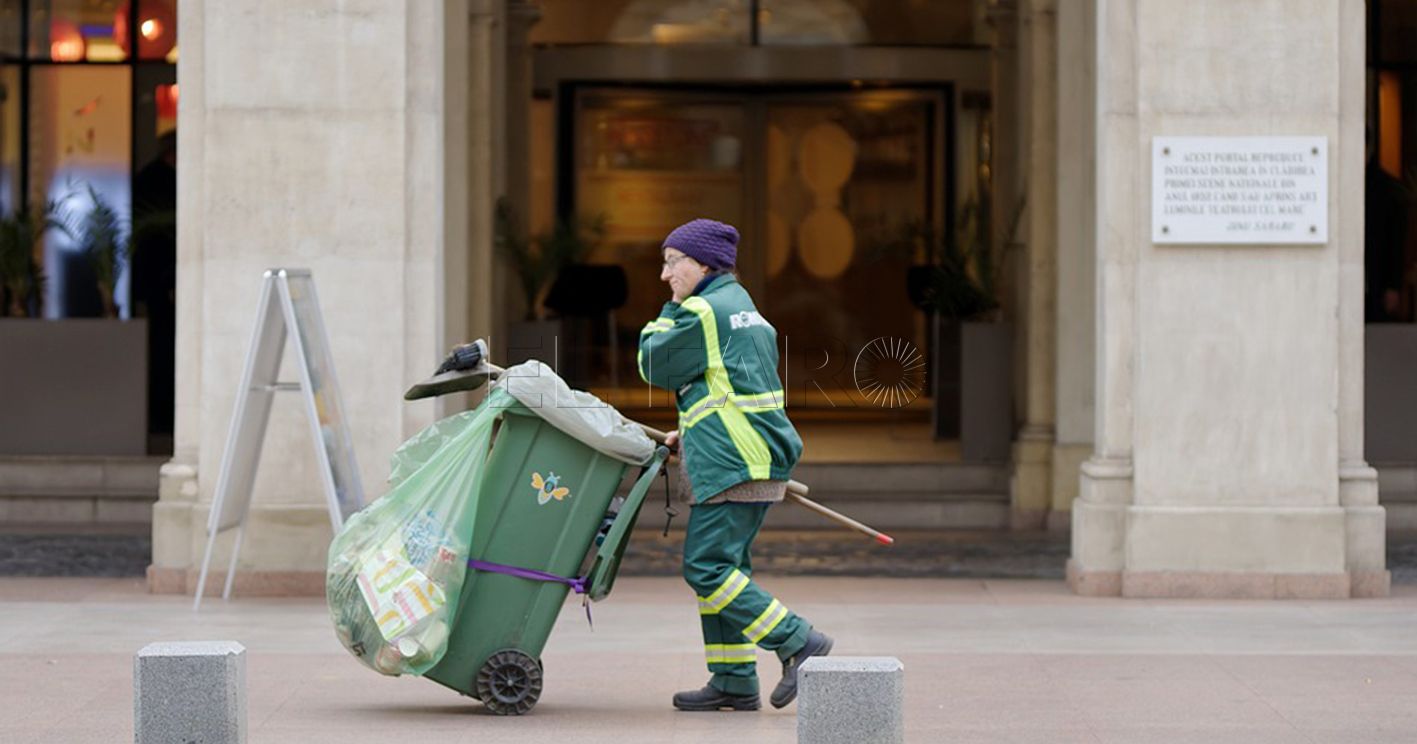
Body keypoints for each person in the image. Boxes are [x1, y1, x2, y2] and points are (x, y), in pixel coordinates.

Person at [637, 218, 833, 712]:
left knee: (705, 568)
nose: (665, 276)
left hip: (732, 462)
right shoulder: (740, 306)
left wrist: (667, 311)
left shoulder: (701, 309)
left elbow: (653, 364)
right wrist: (698, 428)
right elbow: (728, 385)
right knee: (726, 570)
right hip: (749, 454)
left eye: (671, 263)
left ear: (702, 264)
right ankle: (733, 679)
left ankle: (797, 641)